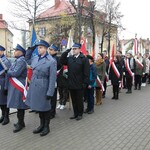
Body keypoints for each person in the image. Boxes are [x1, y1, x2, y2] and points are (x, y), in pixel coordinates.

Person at [25, 40, 57, 136]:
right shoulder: (35, 58)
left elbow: (52, 78)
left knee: (45, 108)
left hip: (44, 86)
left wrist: (50, 92)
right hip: (34, 85)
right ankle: (41, 125)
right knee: (39, 107)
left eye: (41, 47)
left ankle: (46, 127)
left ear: (46, 49)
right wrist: (31, 48)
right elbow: (27, 58)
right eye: (38, 47)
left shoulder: (51, 61)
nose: (39, 49)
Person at [60, 43, 90, 121]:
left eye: (75, 49)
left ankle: (80, 114)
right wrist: (67, 51)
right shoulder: (70, 58)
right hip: (71, 83)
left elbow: (86, 72)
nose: (73, 50)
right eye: (73, 49)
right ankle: (75, 113)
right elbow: (62, 60)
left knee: (79, 100)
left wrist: (85, 83)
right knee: (73, 100)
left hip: (80, 84)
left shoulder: (84, 59)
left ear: (79, 49)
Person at [7, 44, 28, 133]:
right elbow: (12, 70)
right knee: (18, 105)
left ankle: (20, 123)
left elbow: (15, 73)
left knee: (20, 105)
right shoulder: (17, 60)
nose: (14, 52)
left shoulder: (21, 61)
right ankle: (21, 122)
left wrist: (8, 72)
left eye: (16, 50)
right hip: (16, 85)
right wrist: (10, 71)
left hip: (19, 85)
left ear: (21, 52)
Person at [48, 44, 62, 118]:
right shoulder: (49, 58)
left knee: (53, 97)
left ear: (55, 51)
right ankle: (49, 111)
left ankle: (52, 112)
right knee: (49, 97)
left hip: (54, 80)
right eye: (49, 49)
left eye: (51, 50)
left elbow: (57, 69)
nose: (49, 51)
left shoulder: (56, 58)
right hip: (49, 79)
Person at [0, 45, 11, 125]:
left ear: (2, 51)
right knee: (0, 101)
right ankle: (3, 115)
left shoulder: (5, 61)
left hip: (3, 82)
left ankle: (7, 117)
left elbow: (8, 75)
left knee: (5, 101)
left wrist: (6, 87)